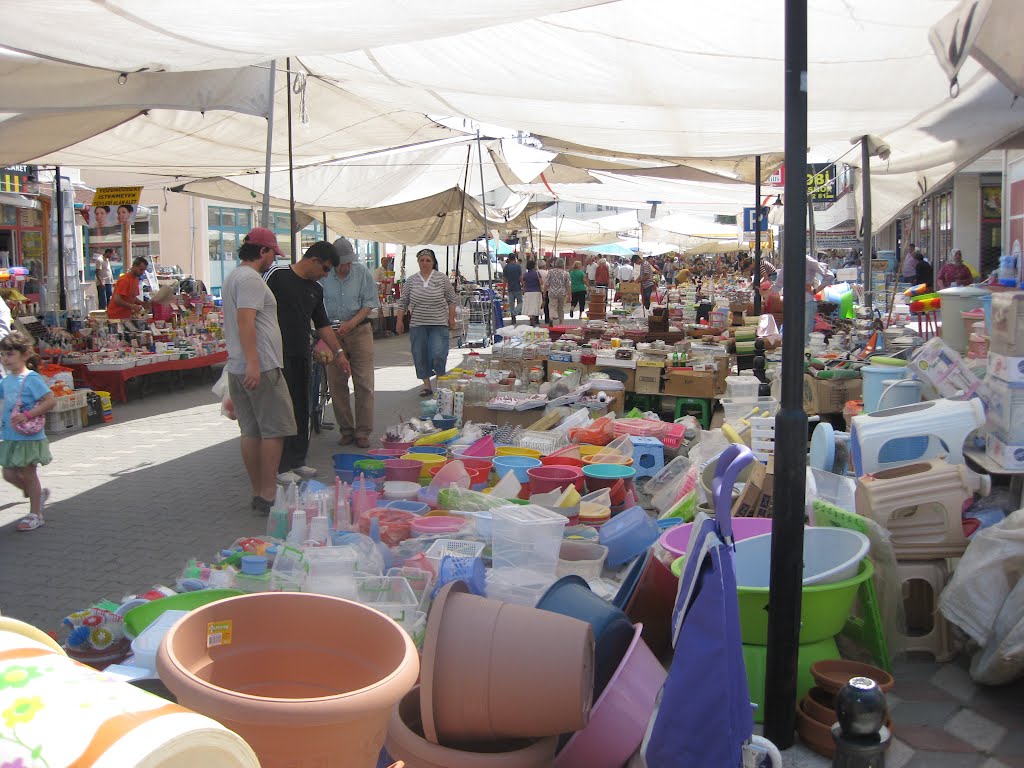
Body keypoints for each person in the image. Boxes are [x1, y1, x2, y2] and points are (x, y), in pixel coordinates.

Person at [222, 232, 297, 513]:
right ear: (262, 250)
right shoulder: (251, 279)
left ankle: (259, 491)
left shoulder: (233, 277)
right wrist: (254, 363)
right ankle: (267, 492)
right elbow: (246, 321)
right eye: (272, 254)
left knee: (251, 431)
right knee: (273, 430)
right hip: (261, 366)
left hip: (240, 365)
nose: (273, 260)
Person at [263, 237, 349, 473]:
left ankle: (297, 460)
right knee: (282, 410)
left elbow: (322, 324)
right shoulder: (277, 275)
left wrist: (339, 353)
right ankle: (281, 466)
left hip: (302, 354)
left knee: (302, 408)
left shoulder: (315, 289)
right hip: (275, 355)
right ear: (313, 260)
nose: (325, 275)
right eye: (325, 269)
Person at [321, 237, 379, 449]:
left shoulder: (361, 272)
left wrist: (351, 323)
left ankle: (363, 431)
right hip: (331, 333)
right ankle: (346, 429)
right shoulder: (324, 275)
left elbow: (370, 303)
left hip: (360, 330)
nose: (345, 267)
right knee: (337, 383)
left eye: (348, 262)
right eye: (341, 263)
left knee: (364, 382)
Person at [0, 331, 56, 531]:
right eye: (2, 355)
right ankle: (36, 495)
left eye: (9, 354)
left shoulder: (31, 379)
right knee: (8, 474)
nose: (5, 359)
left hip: (28, 436)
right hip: (9, 436)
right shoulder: (4, 381)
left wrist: (29, 414)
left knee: (28, 473)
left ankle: (35, 514)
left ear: (24, 355)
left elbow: (50, 400)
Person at [396, 248, 457, 397]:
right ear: (418, 262)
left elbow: (452, 300)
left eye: (428, 260)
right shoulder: (411, 280)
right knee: (420, 354)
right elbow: (403, 302)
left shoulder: (442, 278)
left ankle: (440, 383)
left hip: (439, 323)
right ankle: (427, 386)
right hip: (418, 324)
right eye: (422, 260)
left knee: (438, 353)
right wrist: (399, 321)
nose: (425, 263)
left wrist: (451, 318)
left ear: (433, 262)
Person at [545, 258, 572, 325]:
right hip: (562, 293)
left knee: (552, 306)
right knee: (561, 308)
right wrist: (570, 295)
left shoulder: (550, 272)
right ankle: (561, 322)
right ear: (563, 264)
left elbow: (546, 283)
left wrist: (545, 292)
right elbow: (568, 285)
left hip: (552, 292)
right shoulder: (566, 273)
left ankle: (551, 318)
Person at [521, 259, 544, 326]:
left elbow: (524, 284)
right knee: (535, 305)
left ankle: (531, 318)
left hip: (528, 292)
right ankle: (533, 319)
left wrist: (523, 291)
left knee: (529, 306)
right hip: (536, 291)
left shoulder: (525, 274)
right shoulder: (537, 273)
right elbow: (541, 282)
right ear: (534, 266)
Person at [503, 254, 523, 320]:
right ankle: (515, 312)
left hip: (510, 288)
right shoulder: (518, 266)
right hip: (517, 287)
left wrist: (503, 290)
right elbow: (520, 278)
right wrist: (524, 285)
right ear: (515, 258)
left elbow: (504, 279)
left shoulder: (506, 267)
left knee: (511, 303)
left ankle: (513, 315)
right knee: (521, 302)